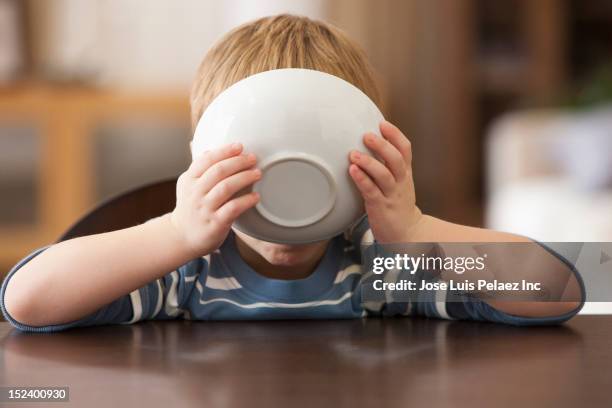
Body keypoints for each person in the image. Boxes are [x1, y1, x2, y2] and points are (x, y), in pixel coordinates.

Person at [1, 15, 584, 332]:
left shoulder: (384, 267)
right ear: (202, 153)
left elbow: (562, 289)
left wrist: (416, 229)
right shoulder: (183, 274)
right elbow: (24, 300)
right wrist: (174, 235)